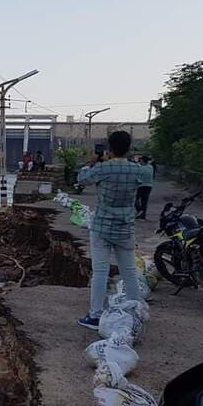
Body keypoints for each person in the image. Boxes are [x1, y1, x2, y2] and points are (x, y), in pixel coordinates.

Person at [76, 131, 144, 330]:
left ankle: (95, 315)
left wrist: (91, 163)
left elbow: (81, 179)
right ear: (129, 148)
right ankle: (134, 312)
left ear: (109, 148)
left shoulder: (103, 168)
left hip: (102, 226)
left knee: (100, 271)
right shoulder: (138, 170)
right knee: (129, 270)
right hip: (126, 226)